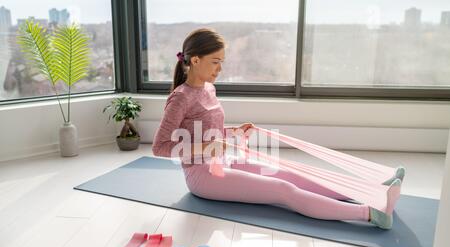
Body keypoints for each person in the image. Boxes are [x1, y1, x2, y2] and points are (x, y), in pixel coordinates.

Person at [152, 28, 401, 230]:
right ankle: (371, 214)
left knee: (288, 174)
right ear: (195, 60)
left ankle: (370, 193)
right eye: (215, 62)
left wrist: (233, 131)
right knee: (282, 190)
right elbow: (160, 147)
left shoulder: (208, 88)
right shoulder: (180, 98)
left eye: (222, 62)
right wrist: (209, 146)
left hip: (224, 160)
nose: (220, 69)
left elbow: (208, 129)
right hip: (202, 175)